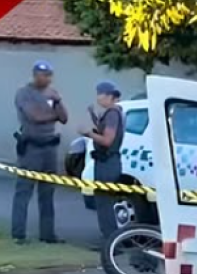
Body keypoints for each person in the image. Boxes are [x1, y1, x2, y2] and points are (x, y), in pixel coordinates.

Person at [11, 60, 68, 244]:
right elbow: (35, 117)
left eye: (49, 75)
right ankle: (18, 234)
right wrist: (54, 115)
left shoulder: (52, 94)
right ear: (35, 75)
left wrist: (57, 100)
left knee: (47, 193)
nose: (47, 79)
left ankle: (47, 234)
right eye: (43, 75)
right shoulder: (24, 93)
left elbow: (64, 118)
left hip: (49, 147)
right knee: (24, 192)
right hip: (31, 147)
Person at [79, 81, 125, 239]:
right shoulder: (114, 113)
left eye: (100, 94)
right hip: (108, 162)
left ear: (109, 96)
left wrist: (88, 133)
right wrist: (94, 118)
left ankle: (110, 241)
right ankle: (110, 239)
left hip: (107, 163)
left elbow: (107, 140)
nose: (98, 98)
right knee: (104, 204)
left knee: (104, 204)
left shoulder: (112, 114)